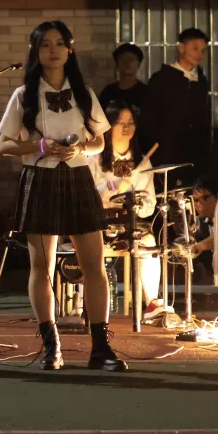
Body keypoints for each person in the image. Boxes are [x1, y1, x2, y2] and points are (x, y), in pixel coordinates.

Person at [0, 20, 126, 372]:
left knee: (94, 266)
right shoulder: (23, 95)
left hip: (79, 177)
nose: (53, 50)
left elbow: (99, 141)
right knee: (42, 266)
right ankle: (52, 346)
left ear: (70, 50)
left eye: (59, 43)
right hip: (39, 178)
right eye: (45, 44)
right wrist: (38, 146)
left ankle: (101, 349)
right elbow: (5, 145)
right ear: (35, 51)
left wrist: (80, 147)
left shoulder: (83, 93)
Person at [88, 102, 165, 318]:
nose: (126, 127)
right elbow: (87, 196)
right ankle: (83, 305)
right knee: (85, 244)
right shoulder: (94, 158)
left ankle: (151, 303)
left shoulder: (142, 162)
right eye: (120, 122)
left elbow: (149, 206)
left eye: (130, 122)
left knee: (148, 242)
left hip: (129, 224)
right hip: (99, 222)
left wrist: (136, 203)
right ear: (108, 126)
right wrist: (112, 187)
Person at [140, 28, 211, 187]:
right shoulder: (161, 79)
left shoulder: (201, 81)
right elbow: (148, 120)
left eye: (203, 50)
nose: (199, 54)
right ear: (181, 47)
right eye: (195, 48)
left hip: (194, 154)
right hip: (167, 154)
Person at [98, 43, 147, 111]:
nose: (127, 63)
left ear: (138, 64)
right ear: (117, 64)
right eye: (123, 59)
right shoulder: (108, 92)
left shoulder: (146, 93)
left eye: (131, 59)